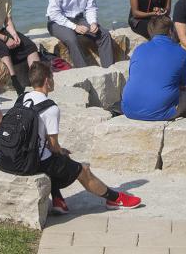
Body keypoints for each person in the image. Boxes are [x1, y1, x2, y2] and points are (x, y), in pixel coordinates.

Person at [23, 61, 142, 215]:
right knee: (81, 168)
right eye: (52, 77)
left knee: (53, 157)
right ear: (47, 80)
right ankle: (115, 198)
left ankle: (58, 200)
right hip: (33, 162)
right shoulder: (49, 107)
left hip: (18, 157)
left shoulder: (24, 99)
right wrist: (63, 153)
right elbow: (53, 146)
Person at [121, 16, 186, 120]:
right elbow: (184, 85)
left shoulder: (139, 49)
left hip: (128, 109)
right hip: (157, 113)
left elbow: (133, 76)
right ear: (171, 31)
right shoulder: (182, 53)